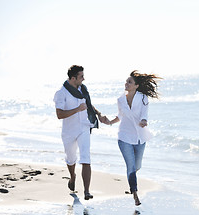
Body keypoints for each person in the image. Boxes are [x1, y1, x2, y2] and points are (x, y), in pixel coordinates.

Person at [105, 70, 161, 206]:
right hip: (124, 136)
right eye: (126, 81)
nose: (126, 84)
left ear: (136, 85)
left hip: (140, 137)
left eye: (129, 82)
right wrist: (110, 122)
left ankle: (132, 180)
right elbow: (120, 116)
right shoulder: (120, 99)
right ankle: (135, 193)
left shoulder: (143, 98)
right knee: (130, 166)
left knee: (137, 166)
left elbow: (144, 114)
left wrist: (144, 121)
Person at [53, 65, 108, 200]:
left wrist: (98, 114)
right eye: (81, 76)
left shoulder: (82, 89)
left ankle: (87, 191)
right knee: (71, 159)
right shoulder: (61, 93)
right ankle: (72, 177)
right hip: (69, 131)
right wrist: (77, 109)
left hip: (84, 127)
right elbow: (59, 114)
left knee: (86, 157)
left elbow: (88, 104)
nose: (84, 79)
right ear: (73, 78)